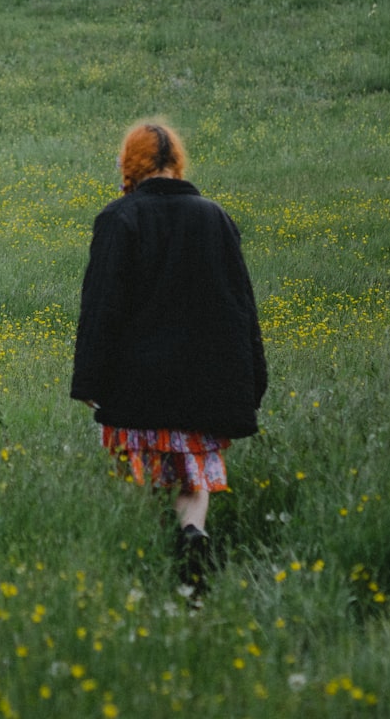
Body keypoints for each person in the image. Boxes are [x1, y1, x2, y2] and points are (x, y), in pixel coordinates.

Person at [71, 120, 267, 600]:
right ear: (176, 162)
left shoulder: (119, 219)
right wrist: (252, 377)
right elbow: (241, 305)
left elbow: (101, 308)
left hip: (135, 387)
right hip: (204, 384)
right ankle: (192, 537)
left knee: (138, 480)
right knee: (192, 481)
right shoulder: (215, 217)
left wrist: (89, 381)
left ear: (129, 165)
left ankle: (142, 570)